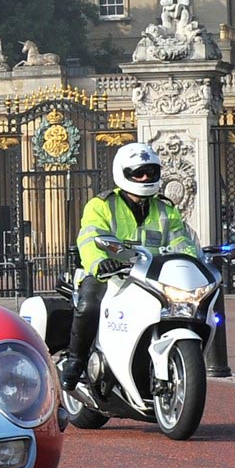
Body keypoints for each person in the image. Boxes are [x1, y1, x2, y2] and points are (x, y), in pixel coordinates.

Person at [58, 142, 200, 391]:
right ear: (122, 173)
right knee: (90, 305)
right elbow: (89, 238)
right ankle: (76, 360)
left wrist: (192, 260)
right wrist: (99, 262)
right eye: (138, 172)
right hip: (109, 274)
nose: (146, 177)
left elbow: (181, 239)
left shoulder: (166, 208)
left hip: (152, 276)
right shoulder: (102, 205)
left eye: (151, 172)